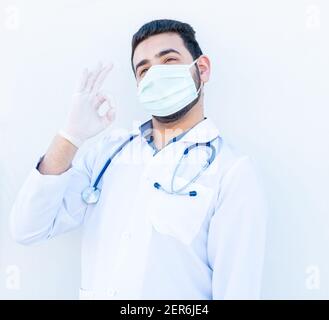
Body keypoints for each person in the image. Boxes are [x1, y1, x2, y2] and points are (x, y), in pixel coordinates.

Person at [10, 19, 267, 300]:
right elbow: (28, 227)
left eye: (169, 61)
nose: (155, 74)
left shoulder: (231, 171)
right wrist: (71, 136)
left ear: (201, 69)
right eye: (144, 69)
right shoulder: (108, 154)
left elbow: (237, 289)